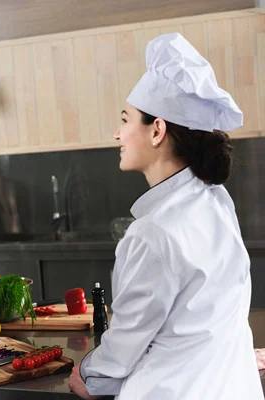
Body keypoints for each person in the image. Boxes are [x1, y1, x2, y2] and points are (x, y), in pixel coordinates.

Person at [68, 33, 264, 399]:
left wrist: (86, 374)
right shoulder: (218, 200)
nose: (117, 133)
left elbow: (123, 348)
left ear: (157, 130)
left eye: (126, 120)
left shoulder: (152, 233)